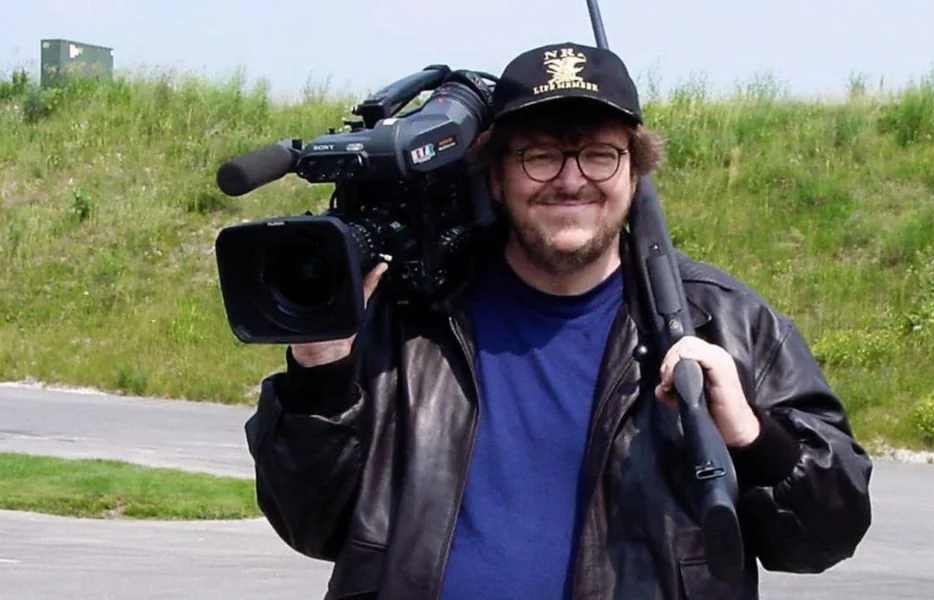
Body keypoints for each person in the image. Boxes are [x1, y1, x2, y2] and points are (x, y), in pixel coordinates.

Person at [244, 41, 873, 600]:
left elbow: (827, 536)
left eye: (599, 155)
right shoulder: (407, 315)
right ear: (495, 178)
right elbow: (312, 523)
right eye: (540, 156)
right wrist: (320, 373)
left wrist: (751, 436)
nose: (571, 181)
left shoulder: (725, 323)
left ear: (635, 174)